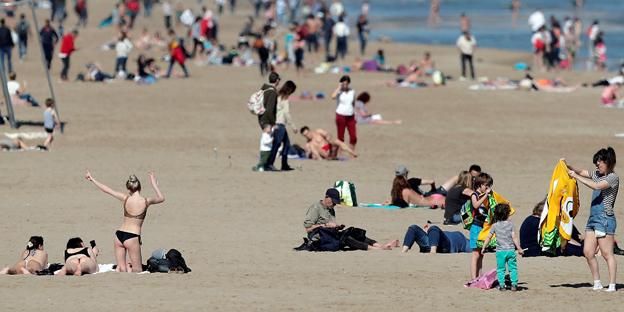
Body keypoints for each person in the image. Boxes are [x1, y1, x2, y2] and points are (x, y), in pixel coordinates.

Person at [85, 171, 165, 272]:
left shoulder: (125, 198)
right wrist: (154, 184)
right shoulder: (146, 201)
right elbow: (161, 198)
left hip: (119, 235)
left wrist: (92, 179)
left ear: (128, 189)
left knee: (121, 269)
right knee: (138, 270)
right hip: (132, 236)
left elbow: (107, 190)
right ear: (140, 188)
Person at [563, 148, 619, 292]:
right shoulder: (598, 174)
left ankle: (612, 284)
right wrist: (568, 167)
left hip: (604, 218)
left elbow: (596, 186)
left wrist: (575, 176)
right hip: (593, 219)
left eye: (599, 161)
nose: (597, 164)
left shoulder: (612, 177)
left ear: (608, 162)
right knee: (588, 252)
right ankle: (597, 282)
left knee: (607, 254)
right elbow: (583, 172)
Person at [303, 188, 398, 250]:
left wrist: (337, 227)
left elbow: (331, 225)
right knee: (346, 238)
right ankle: (377, 249)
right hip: (319, 238)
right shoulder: (315, 207)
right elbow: (308, 228)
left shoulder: (331, 209)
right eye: (333, 202)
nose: (334, 204)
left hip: (330, 235)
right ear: (327, 197)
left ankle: (379, 245)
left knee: (354, 232)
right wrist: (324, 225)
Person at [520, 198, 584, 257]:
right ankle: (582, 244)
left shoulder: (531, 219)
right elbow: (561, 238)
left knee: (563, 223)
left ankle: (581, 241)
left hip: (531, 249)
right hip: (534, 251)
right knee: (567, 246)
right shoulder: (540, 223)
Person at [482, 204, 524, 291]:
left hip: (500, 252)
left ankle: (502, 285)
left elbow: (488, 237)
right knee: (513, 268)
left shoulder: (495, 226)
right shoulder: (511, 225)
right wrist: (519, 248)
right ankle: (514, 284)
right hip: (510, 250)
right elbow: (514, 237)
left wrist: (484, 247)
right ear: (507, 214)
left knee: (501, 269)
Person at [266, 80, 297, 171]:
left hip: (276, 123)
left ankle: (284, 164)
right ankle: (269, 164)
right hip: (280, 124)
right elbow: (286, 113)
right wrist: (293, 126)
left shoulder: (277, 95)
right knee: (277, 144)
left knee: (286, 144)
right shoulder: (284, 99)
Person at [469, 172, 493, 279]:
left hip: (484, 227)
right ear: (480, 185)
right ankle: (474, 278)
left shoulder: (485, 196)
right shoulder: (474, 195)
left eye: (489, 186)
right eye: (486, 186)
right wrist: (486, 196)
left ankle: (479, 275)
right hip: (476, 227)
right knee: (475, 254)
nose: (488, 188)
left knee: (482, 254)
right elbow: (475, 205)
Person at [257, 72, 280, 169]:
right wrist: (273, 123)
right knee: (266, 142)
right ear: (277, 80)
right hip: (267, 120)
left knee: (266, 141)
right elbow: (270, 110)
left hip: (261, 117)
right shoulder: (272, 92)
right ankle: (262, 165)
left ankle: (265, 165)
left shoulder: (264, 89)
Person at [401, 224, 469, 253]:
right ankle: (433, 252)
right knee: (414, 228)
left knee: (413, 228)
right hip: (441, 244)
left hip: (439, 245)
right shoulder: (463, 239)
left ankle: (404, 251)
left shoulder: (463, 239)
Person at [331, 75, 357, 152]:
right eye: (343, 84)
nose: (345, 86)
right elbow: (332, 97)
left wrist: (354, 112)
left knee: (353, 137)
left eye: (346, 84)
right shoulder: (339, 91)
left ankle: (352, 152)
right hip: (340, 115)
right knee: (341, 137)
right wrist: (339, 87)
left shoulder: (352, 91)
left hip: (351, 116)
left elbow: (353, 103)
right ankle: (340, 152)